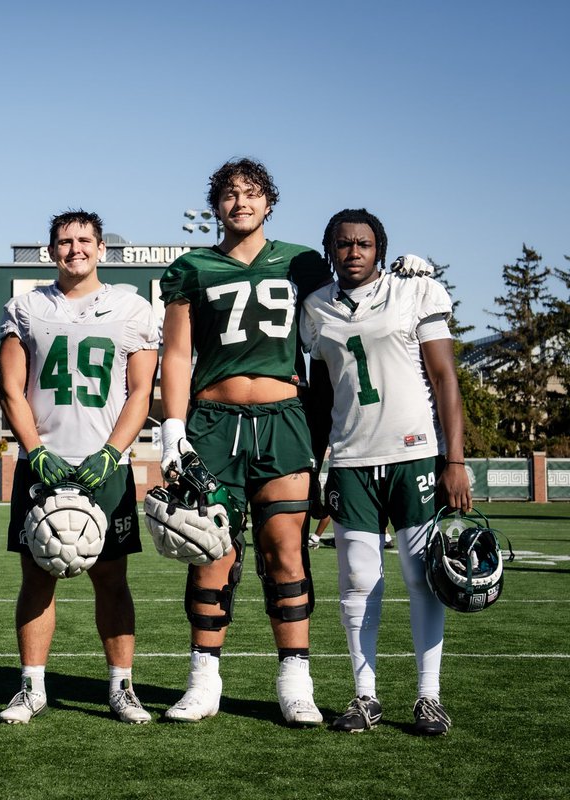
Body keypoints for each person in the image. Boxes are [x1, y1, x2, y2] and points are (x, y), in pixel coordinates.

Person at [158, 158, 331, 725]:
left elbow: (346, 307)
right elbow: (178, 353)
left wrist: (402, 279)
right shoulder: (193, 268)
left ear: (269, 202)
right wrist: (173, 427)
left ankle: (295, 678)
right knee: (212, 553)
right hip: (212, 421)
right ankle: (203, 678)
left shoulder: (303, 262)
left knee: (286, 549)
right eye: (229, 195)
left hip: (284, 418)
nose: (240, 203)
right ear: (215, 206)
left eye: (251, 193)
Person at [302, 208, 472, 735]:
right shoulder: (315, 309)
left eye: (364, 244)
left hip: (414, 453)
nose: (354, 252)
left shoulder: (413, 293)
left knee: (423, 578)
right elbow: (322, 396)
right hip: (352, 460)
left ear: (380, 249)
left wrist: (455, 459)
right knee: (357, 580)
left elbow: (444, 378)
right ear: (330, 249)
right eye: (344, 244)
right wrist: (314, 466)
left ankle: (428, 696)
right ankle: (365, 696)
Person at [0, 210, 159, 725]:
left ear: (101, 248)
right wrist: (33, 449)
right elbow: (11, 389)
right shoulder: (25, 307)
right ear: (51, 251)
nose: (74, 250)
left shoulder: (132, 308)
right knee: (37, 578)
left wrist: (113, 451)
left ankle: (122, 687)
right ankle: (31, 688)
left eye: (84, 240)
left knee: (112, 580)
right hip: (40, 463)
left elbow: (140, 392)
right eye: (64, 242)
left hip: (104, 465)